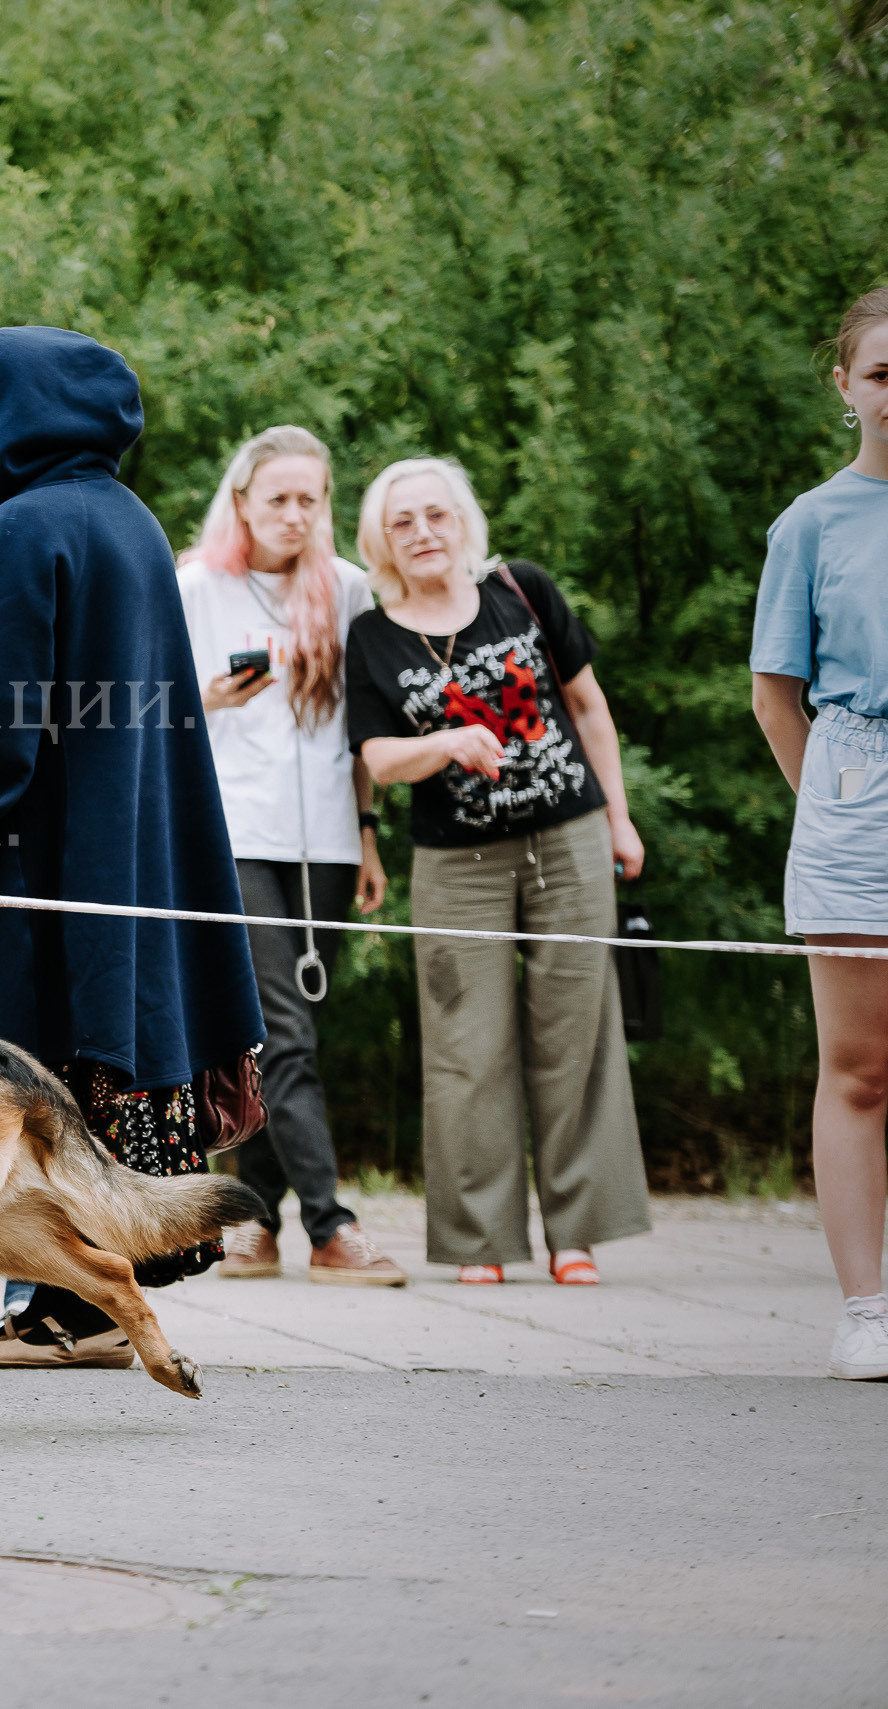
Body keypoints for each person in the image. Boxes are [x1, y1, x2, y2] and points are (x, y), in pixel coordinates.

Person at [0, 324, 265, 1372]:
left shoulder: (19, 526)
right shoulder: (124, 517)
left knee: (25, 1072)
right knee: (79, 1056)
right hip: (106, 848)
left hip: (28, 855)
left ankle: (74, 1307)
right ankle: (75, 1298)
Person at [346, 457, 650, 1285]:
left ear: (462, 521)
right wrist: (444, 743)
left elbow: (588, 705)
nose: (422, 533)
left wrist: (620, 817)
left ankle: (575, 1233)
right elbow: (376, 756)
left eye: (435, 515)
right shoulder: (371, 635)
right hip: (457, 861)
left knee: (574, 1033)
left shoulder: (524, 590)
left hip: (569, 837)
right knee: (464, 1047)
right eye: (402, 522)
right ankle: (480, 1241)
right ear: (381, 539)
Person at [176, 426, 405, 1286]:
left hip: (329, 843)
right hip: (233, 836)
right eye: (277, 497)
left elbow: (362, 729)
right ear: (242, 501)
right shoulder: (195, 584)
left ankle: (256, 1219)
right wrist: (207, 695)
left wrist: (371, 832)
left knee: (284, 1035)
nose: (295, 513)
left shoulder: (346, 590)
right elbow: (150, 709)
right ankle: (332, 1222)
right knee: (286, 1031)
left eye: (310, 498)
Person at [749, 282, 888, 1381]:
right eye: (881, 373)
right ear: (844, 385)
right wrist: (830, 808)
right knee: (857, 1066)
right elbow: (773, 695)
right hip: (854, 787)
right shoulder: (810, 523)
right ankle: (864, 1307)